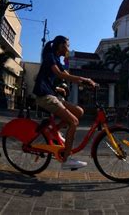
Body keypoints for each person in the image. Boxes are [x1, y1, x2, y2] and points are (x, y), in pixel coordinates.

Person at [33, 35, 96, 170]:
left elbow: (66, 73)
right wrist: (84, 79)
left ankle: (55, 131)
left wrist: (82, 83)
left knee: (79, 111)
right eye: (67, 45)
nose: (68, 48)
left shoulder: (56, 59)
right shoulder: (50, 57)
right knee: (73, 122)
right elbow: (61, 75)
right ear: (61, 46)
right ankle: (67, 160)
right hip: (45, 96)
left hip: (51, 94)